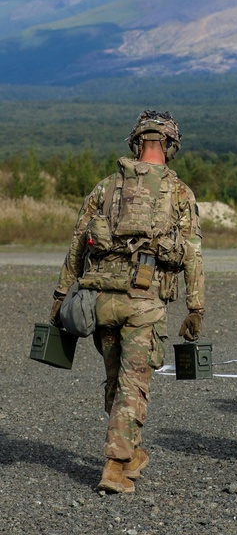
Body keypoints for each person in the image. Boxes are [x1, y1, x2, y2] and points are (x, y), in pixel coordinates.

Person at [50, 110, 204, 494]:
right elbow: (192, 254)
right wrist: (196, 307)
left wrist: (59, 297)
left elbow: (76, 245)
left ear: (137, 143)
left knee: (117, 380)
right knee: (133, 386)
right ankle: (115, 466)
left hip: (101, 300)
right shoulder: (180, 192)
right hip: (144, 303)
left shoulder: (104, 188)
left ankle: (132, 453)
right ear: (169, 146)